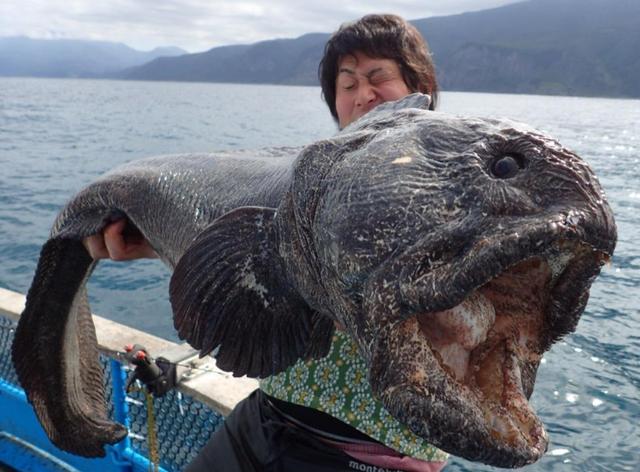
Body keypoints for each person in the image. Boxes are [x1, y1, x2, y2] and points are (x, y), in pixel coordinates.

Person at [85, 14, 447, 472]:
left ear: (422, 87)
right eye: (347, 83)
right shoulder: (312, 187)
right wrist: (156, 242)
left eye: (379, 78)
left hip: (367, 455)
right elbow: (270, 267)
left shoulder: (450, 192)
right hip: (267, 416)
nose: (362, 97)